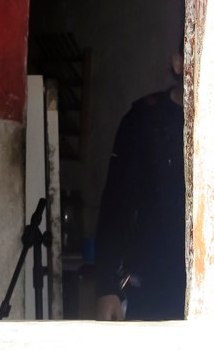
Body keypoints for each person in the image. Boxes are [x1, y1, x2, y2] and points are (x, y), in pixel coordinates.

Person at [94, 43, 185, 321]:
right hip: (150, 284)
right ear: (178, 64)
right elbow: (115, 205)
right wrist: (107, 288)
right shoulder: (145, 120)